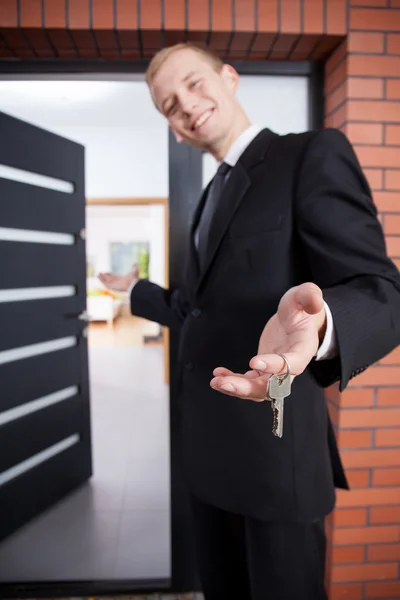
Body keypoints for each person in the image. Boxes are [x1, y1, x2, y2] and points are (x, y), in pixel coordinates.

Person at [99, 42, 400, 600]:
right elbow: (199, 309)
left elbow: (380, 291)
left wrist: (322, 325)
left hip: (274, 457)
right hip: (208, 459)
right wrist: (134, 291)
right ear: (174, 129)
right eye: (169, 104)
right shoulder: (210, 195)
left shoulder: (310, 155)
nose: (185, 105)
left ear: (229, 78)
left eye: (193, 84)